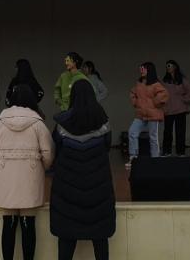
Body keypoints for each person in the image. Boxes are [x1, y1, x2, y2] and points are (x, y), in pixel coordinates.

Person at [0, 84, 53, 260]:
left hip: (7, 179)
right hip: (30, 179)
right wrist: (40, 167)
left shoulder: (1, 122)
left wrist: (2, 166)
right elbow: (48, 153)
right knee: (28, 223)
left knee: (8, 223)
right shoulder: (38, 123)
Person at [51, 79, 115, 260]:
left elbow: (56, 149)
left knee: (66, 233)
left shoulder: (62, 125)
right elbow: (107, 147)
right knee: (100, 234)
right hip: (98, 187)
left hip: (67, 189)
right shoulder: (103, 122)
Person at [127, 62, 168, 163]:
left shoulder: (156, 84)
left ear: (149, 70)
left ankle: (155, 158)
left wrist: (155, 102)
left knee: (153, 137)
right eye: (140, 68)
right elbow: (132, 93)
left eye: (143, 68)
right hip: (140, 114)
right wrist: (136, 102)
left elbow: (164, 94)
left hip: (153, 115)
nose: (141, 71)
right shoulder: (139, 83)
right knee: (132, 132)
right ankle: (133, 157)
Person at [161, 59, 190, 156]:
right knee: (167, 132)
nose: (167, 68)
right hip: (168, 110)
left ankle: (180, 152)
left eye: (169, 65)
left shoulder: (182, 80)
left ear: (175, 67)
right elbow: (160, 93)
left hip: (180, 110)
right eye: (166, 66)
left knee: (180, 131)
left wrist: (184, 99)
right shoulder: (165, 81)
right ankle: (167, 151)